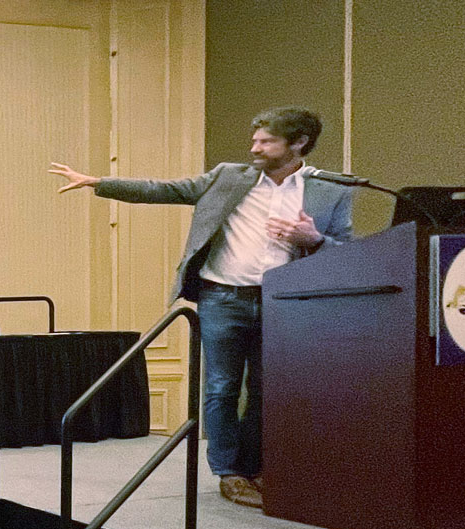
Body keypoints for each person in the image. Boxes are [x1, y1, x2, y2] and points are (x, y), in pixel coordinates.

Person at [48, 107, 354, 508]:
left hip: (285, 302)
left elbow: (347, 250)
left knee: (267, 390)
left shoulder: (332, 189)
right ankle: (229, 472)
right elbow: (165, 189)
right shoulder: (229, 176)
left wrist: (313, 237)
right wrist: (98, 182)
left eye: (266, 142)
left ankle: (257, 468)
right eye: (255, 140)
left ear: (297, 144)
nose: (254, 148)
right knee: (222, 387)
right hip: (223, 298)